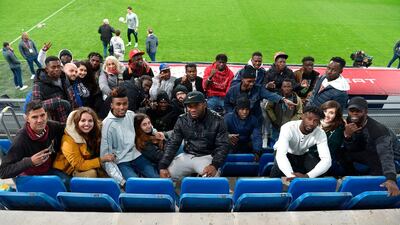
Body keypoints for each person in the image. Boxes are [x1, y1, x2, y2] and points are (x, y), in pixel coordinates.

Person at [158, 91, 229, 180]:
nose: (193, 109)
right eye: (189, 106)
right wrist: (163, 166)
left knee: (211, 180)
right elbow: (173, 143)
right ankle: (176, 194)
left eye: (196, 105)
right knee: (166, 175)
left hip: (207, 156)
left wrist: (214, 165)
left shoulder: (217, 120)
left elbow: (223, 145)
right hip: (188, 155)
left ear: (204, 104)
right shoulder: (182, 120)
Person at [339, 97, 400, 196]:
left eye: (358, 111)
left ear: (366, 112)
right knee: (342, 152)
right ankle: (353, 178)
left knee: (373, 157)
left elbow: (386, 156)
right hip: (369, 151)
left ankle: (373, 185)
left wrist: (391, 179)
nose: (354, 113)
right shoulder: (350, 122)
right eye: (351, 110)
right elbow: (353, 148)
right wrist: (348, 136)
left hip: (393, 158)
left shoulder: (378, 130)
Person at [0, 100, 68, 184]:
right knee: (65, 183)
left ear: (46, 115)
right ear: (26, 119)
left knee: (69, 181)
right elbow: (3, 172)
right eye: (34, 117)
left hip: (50, 167)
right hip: (31, 176)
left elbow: (68, 128)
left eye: (42, 115)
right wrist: (30, 161)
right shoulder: (21, 139)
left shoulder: (51, 126)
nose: (40, 120)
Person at [101, 87, 158, 185]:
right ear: (112, 105)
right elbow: (106, 158)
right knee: (136, 186)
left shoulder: (131, 114)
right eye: (118, 104)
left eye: (125, 104)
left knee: (158, 180)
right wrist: (121, 181)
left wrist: (154, 132)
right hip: (121, 161)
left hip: (137, 155)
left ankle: (173, 200)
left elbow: (144, 123)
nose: (122, 107)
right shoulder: (106, 125)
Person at [270, 105, 331, 179]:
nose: (312, 123)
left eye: (316, 121)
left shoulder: (320, 133)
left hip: (302, 154)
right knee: (277, 170)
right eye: (309, 119)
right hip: (283, 152)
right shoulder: (288, 127)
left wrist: (307, 176)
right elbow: (281, 155)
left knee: (320, 173)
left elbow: (327, 160)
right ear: (302, 116)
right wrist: (291, 176)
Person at [53, 107, 115, 177]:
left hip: (88, 164)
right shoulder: (68, 139)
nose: (87, 124)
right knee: (91, 174)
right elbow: (79, 165)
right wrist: (101, 160)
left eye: (90, 121)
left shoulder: (95, 132)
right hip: (67, 171)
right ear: (77, 122)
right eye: (83, 120)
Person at [225, 65, 296, 121]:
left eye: (253, 81)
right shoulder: (232, 90)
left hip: (254, 120)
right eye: (249, 81)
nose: (252, 84)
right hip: (237, 119)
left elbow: (270, 95)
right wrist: (232, 114)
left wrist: (283, 99)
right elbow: (227, 104)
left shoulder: (258, 89)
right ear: (242, 79)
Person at [32, 56, 72, 123]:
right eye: (53, 67)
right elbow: (36, 106)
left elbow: (71, 95)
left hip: (70, 119)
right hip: (55, 124)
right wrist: (57, 102)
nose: (57, 69)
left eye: (58, 66)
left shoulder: (64, 78)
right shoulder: (39, 85)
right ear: (47, 69)